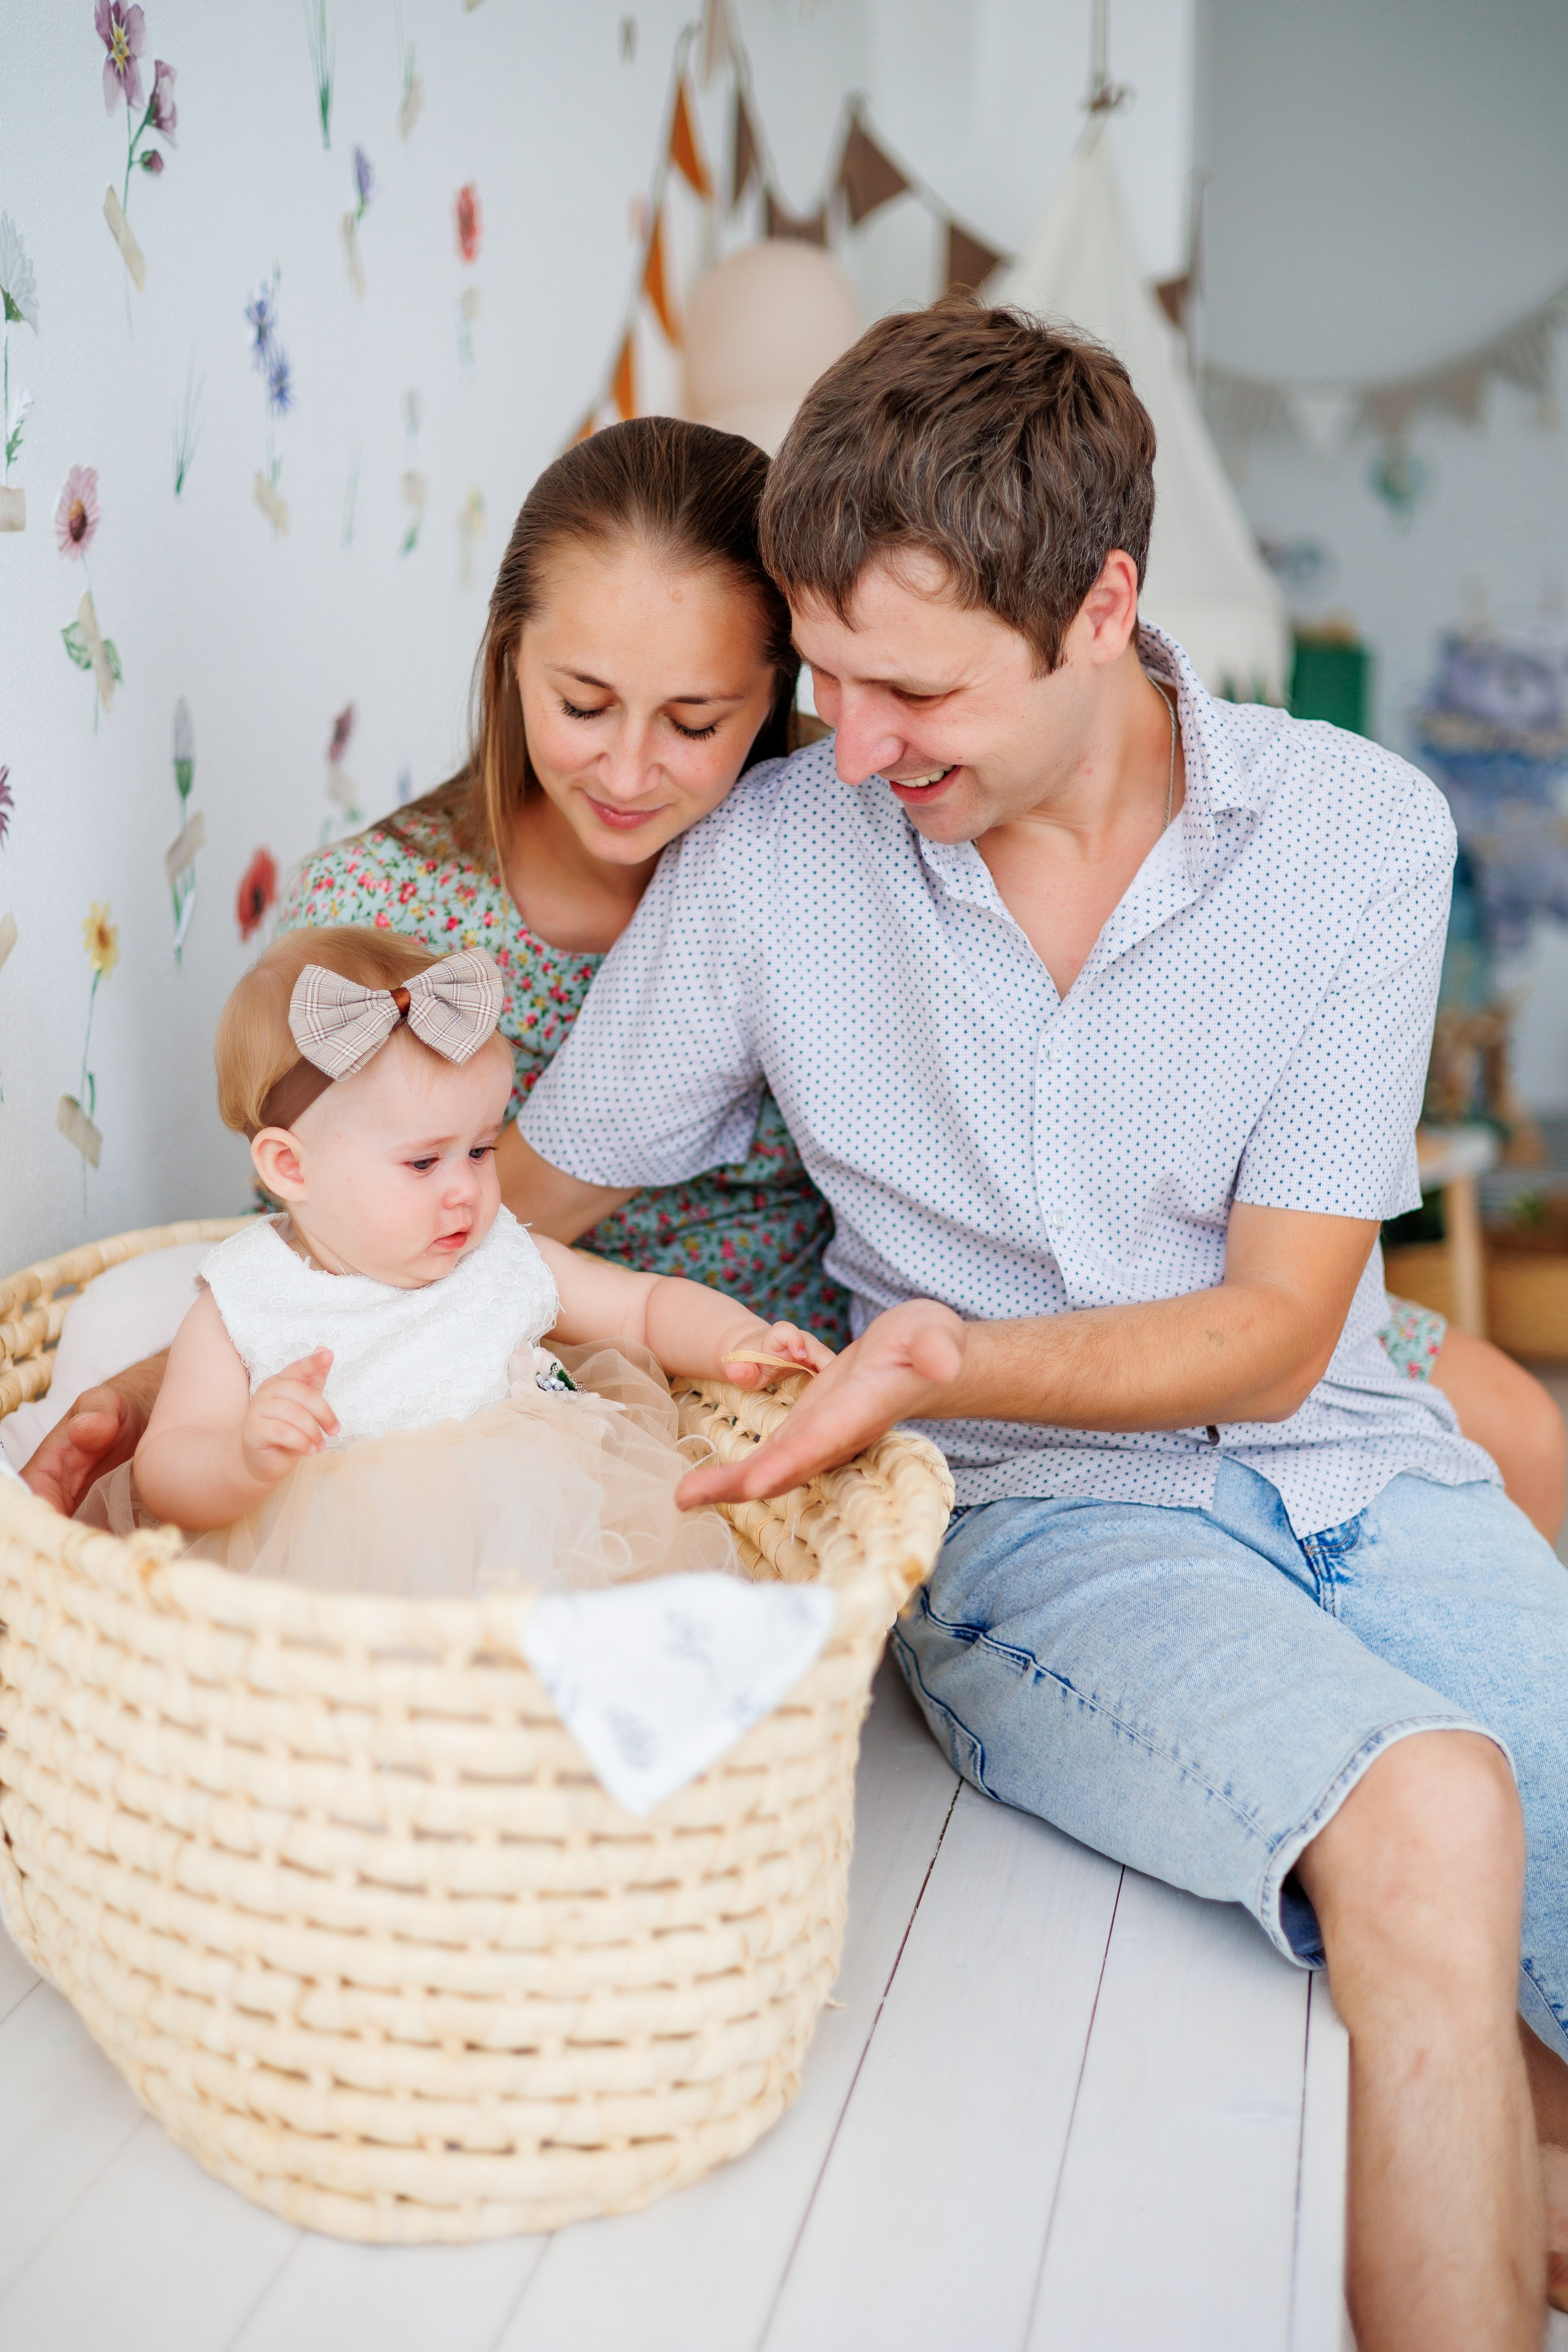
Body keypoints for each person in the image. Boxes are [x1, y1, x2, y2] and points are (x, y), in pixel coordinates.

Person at [510, 300, 1568, 2348]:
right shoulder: (774, 865)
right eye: (822, 670)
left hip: (1352, 1454)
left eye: (912, 686)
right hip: (1039, 1525)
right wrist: (263, 1293)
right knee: (1433, 1810)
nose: (856, 738)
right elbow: (519, 1207)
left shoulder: (1356, 837)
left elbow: (1279, 1336)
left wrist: (939, 1352)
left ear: (1100, 610)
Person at [21, 418, 1564, 1543]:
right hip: (628, 1352)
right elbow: (402, 1229)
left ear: (785, 702)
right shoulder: (391, 918)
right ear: (508, 663)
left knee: (1498, 1414)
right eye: (580, 702)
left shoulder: (852, 826)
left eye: (697, 720)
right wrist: (178, 1379)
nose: (627, 770)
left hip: (965, 1301)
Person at [126, 925, 824, 1594]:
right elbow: (164, 1466)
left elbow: (642, 1306)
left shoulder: (498, 1258)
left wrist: (738, 1339)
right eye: (425, 1161)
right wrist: (241, 1459)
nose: (465, 1188)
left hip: (555, 1535)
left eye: (481, 1150)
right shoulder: (247, 1300)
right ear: (290, 1168)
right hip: (346, 1578)